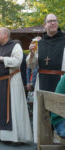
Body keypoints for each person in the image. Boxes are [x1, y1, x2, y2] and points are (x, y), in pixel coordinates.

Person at [26, 14, 65, 143]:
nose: (52, 23)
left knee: (60, 109)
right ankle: (43, 139)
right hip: (42, 80)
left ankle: (60, 139)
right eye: (49, 21)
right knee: (43, 111)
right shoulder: (39, 43)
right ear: (45, 25)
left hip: (61, 80)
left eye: (54, 21)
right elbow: (31, 65)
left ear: (58, 23)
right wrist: (31, 53)